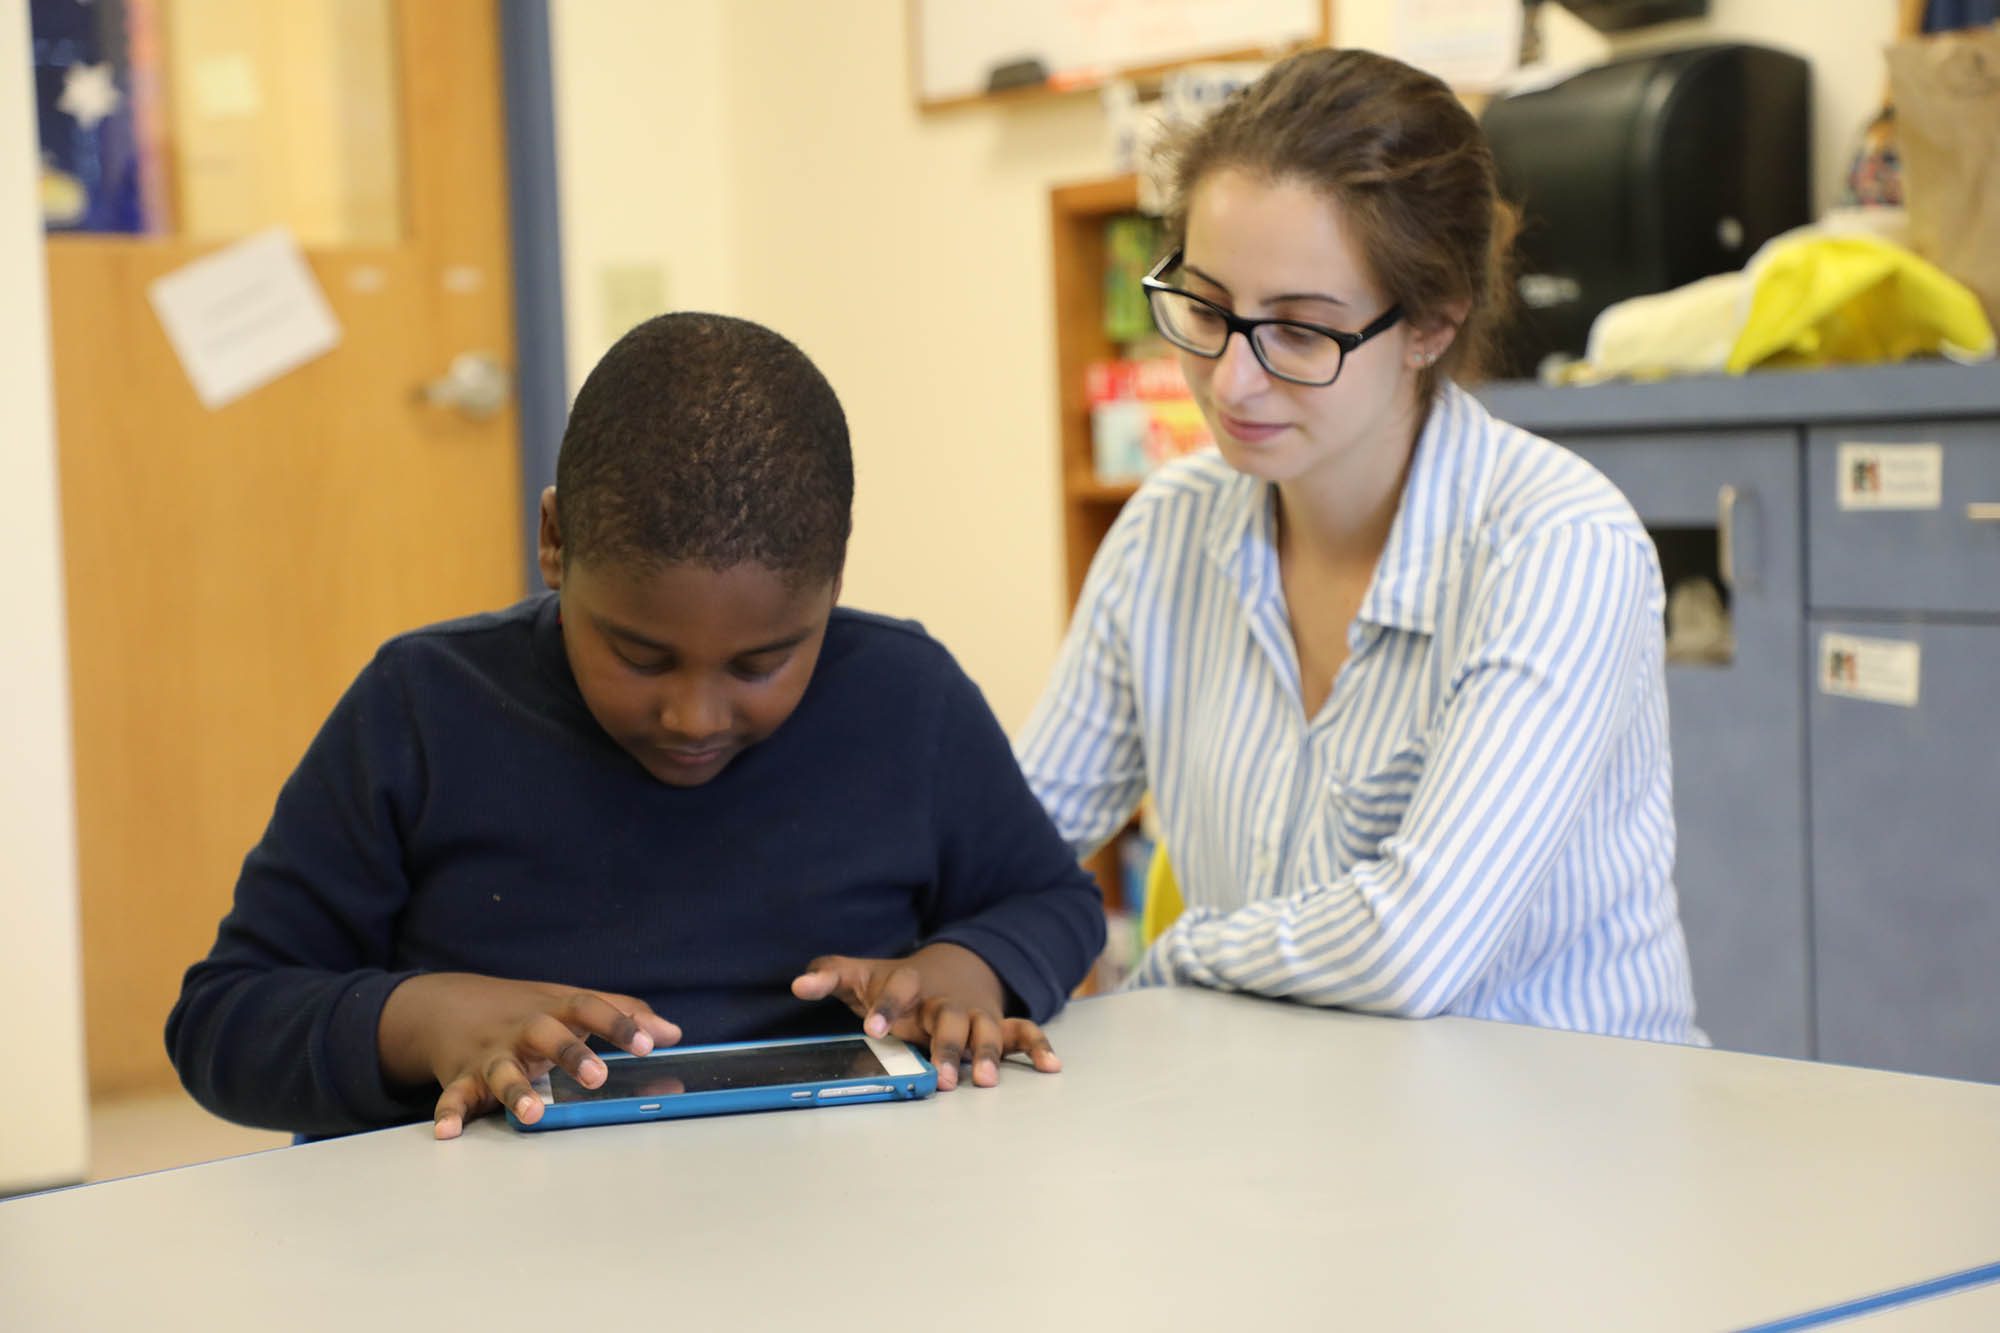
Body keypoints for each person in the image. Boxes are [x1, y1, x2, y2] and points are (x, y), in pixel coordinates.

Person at [168, 313, 1105, 1140]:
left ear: (836, 577)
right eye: (641, 655)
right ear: (555, 542)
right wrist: (426, 1019)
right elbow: (226, 1020)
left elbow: (1052, 900)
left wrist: (966, 968)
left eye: (760, 663)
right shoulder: (420, 706)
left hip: (825, 1223)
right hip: (490, 1250)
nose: (692, 716)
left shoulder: (908, 700)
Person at [1017, 48, 1700, 1042]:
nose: (1230, 382)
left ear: (1429, 324)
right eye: (1204, 308)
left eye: (1298, 332)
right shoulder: (1168, 526)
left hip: (1553, 1148)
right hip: (1286, 1133)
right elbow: (1016, 838)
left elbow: (1411, 944)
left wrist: (1177, 958)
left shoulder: (1556, 544)